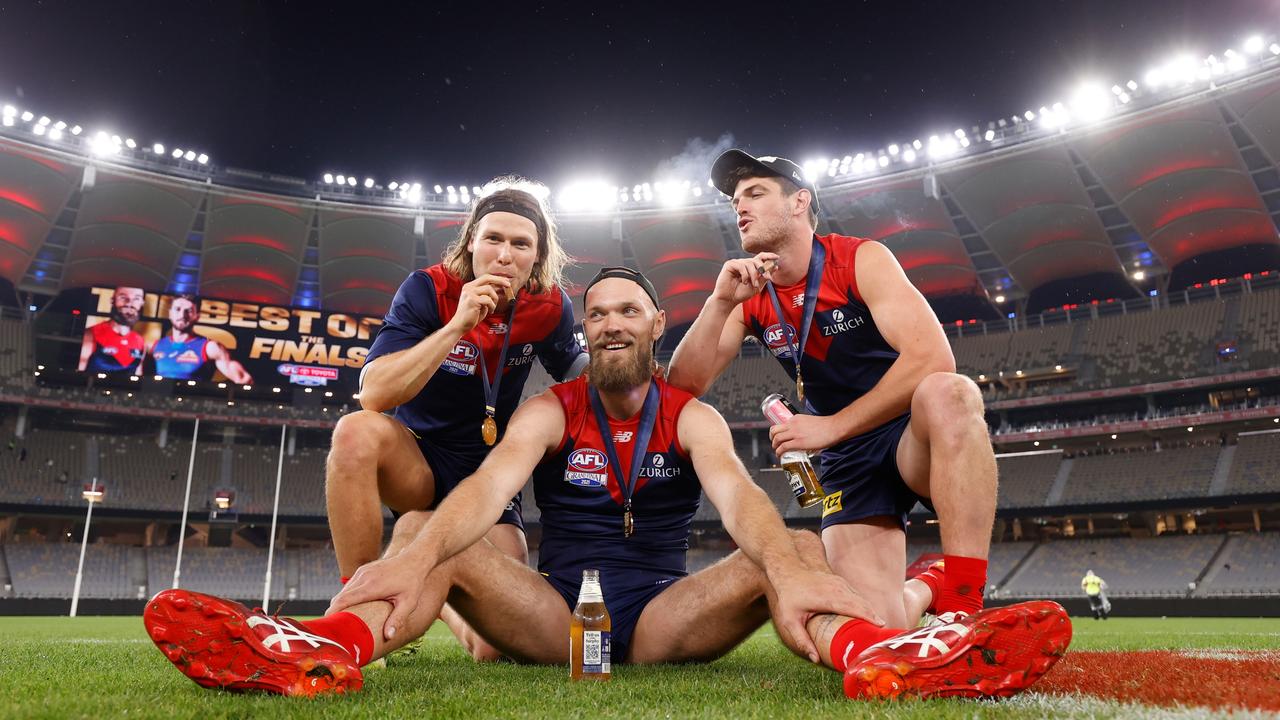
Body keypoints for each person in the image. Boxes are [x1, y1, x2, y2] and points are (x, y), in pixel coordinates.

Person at [144, 268, 1071, 700]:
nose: (613, 324)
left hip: (666, 617)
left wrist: (791, 563)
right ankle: (325, 647)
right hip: (556, 618)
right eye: (598, 315)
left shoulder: (690, 413)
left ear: (657, 323)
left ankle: (876, 658)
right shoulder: (555, 406)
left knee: (777, 549)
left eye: (629, 310)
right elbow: (492, 481)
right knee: (436, 530)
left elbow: (742, 502)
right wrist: (420, 544)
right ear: (586, 331)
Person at [667, 150, 1000, 631]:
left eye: (756, 194)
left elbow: (933, 358)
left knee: (949, 392)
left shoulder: (859, 259)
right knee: (879, 629)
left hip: (909, 436)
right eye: (736, 200)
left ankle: (965, 610)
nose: (740, 207)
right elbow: (682, 386)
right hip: (846, 460)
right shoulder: (751, 293)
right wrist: (719, 303)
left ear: (799, 201)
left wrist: (831, 427)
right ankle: (930, 584)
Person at [325, 178, 587, 660]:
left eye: (520, 244)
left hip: (486, 477)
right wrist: (456, 326)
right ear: (472, 242)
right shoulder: (428, 289)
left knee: (494, 648)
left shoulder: (548, 306)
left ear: (537, 257)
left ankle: (429, 583)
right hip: (418, 461)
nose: (505, 254)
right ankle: (357, 605)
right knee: (355, 432)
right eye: (493, 239)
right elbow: (374, 395)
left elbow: (585, 378)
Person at [146, 294, 253, 383]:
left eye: (189, 311)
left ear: (197, 316)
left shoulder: (209, 347)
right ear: (170, 313)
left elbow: (244, 379)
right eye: (178, 309)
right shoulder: (155, 346)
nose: (182, 315)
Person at [78, 286, 145, 374]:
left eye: (136, 298)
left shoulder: (140, 341)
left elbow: (138, 374)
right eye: (123, 297)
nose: (129, 303)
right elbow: (78, 374)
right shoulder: (91, 334)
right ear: (112, 300)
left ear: (142, 303)